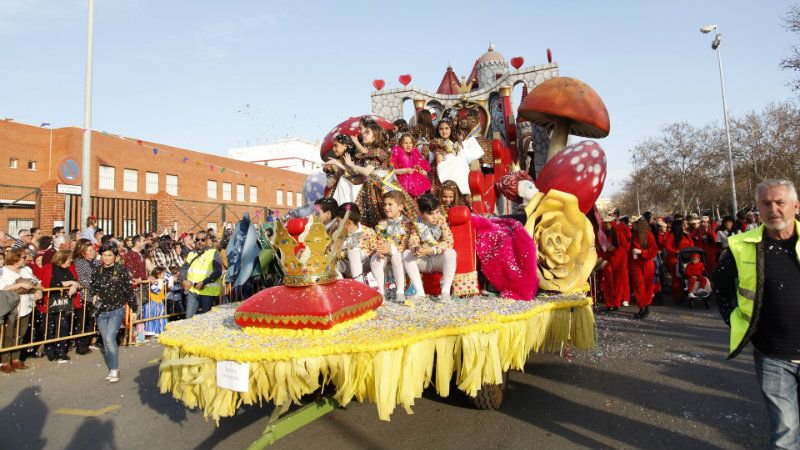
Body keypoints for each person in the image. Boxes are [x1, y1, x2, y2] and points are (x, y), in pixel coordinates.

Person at [712, 179, 800, 449]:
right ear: (758, 210)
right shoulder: (741, 245)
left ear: (795, 206)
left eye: (780, 202)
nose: (773, 209)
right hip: (772, 354)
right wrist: (736, 320)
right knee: (785, 432)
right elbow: (720, 284)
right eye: (766, 203)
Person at [90, 242, 136, 383]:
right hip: (101, 311)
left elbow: (128, 290)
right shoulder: (97, 271)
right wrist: (94, 295)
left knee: (110, 338)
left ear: (115, 256)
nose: (107, 258)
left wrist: (133, 308)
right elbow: (93, 286)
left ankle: (114, 369)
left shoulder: (121, 270)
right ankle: (112, 368)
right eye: (104, 255)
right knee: (106, 341)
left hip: (116, 309)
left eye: (110, 255)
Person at [371, 191, 420, 302]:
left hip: (403, 256)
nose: (386, 208)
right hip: (386, 254)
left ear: (400, 207)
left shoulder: (409, 224)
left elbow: (409, 244)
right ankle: (380, 294)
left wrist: (392, 249)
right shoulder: (381, 225)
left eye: (390, 204)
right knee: (375, 259)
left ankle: (400, 292)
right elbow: (379, 240)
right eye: (384, 205)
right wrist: (380, 250)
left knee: (396, 256)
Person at [0, 249, 42, 373]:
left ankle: (16, 359)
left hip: (26, 306)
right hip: (10, 308)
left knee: (20, 333)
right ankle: (5, 361)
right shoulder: (4, 272)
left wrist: (38, 290)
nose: (27, 259)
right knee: (8, 335)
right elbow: (3, 288)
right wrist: (19, 286)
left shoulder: (27, 270)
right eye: (24, 257)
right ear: (15, 258)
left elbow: (37, 282)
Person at [409, 194, 456, 302]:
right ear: (421, 214)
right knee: (407, 254)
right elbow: (413, 238)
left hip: (439, 259)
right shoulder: (417, 223)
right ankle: (420, 292)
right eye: (430, 214)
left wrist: (432, 250)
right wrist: (416, 248)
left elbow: (449, 241)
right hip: (425, 262)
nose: (435, 216)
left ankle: (445, 292)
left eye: (437, 212)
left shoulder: (441, 221)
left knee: (451, 252)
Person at [39, 249, 80, 362]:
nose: (71, 260)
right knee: (49, 328)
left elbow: (76, 281)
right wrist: (69, 283)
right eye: (69, 258)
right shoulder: (49, 268)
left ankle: (62, 351)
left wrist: (74, 286)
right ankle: (50, 352)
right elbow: (50, 283)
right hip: (50, 302)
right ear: (62, 258)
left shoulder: (69, 269)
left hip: (64, 303)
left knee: (64, 327)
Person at [179, 235, 223, 318]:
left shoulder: (213, 252)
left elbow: (218, 271)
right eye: (197, 239)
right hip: (193, 291)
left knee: (205, 319)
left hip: (207, 292)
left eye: (202, 240)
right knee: (189, 318)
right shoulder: (191, 254)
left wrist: (204, 282)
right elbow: (183, 269)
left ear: (207, 240)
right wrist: (183, 280)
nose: (200, 241)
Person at [335, 203, 376, 284]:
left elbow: (374, 251)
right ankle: (342, 285)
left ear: (348, 223)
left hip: (365, 264)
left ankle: (359, 284)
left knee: (353, 252)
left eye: (339, 222)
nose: (337, 224)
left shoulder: (368, 232)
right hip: (347, 266)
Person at [71, 239, 98, 355]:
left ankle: (86, 342)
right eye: (90, 250)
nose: (93, 252)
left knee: (92, 320)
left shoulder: (96, 263)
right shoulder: (79, 262)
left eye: (93, 249)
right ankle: (81, 345)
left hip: (96, 297)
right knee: (83, 321)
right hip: (85, 296)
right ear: (83, 252)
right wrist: (95, 289)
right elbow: (83, 280)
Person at [630, 218, 659, 319]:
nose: (632, 225)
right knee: (639, 285)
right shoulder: (634, 235)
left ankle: (645, 307)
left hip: (646, 263)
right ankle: (642, 306)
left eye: (633, 223)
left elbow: (654, 250)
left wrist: (642, 252)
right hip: (636, 263)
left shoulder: (648, 235)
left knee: (647, 286)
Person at [390, 132, 431, 198]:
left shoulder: (416, 154)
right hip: (402, 186)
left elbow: (425, 171)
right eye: (406, 143)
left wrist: (421, 171)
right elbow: (391, 171)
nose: (408, 145)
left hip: (417, 186)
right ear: (400, 144)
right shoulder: (396, 154)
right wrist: (405, 170)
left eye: (410, 143)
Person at [665, 219, 694, 302]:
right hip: (675, 259)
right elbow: (667, 247)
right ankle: (677, 296)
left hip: (685, 259)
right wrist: (676, 251)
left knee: (686, 277)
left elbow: (691, 244)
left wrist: (689, 250)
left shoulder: (685, 235)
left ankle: (684, 293)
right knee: (676, 279)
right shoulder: (671, 235)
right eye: (682, 225)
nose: (684, 226)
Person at [142, 266, 168, 337]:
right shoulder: (157, 281)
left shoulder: (161, 281)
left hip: (159, 302)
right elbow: (156, 290)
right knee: (152, 316)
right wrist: (157, 283)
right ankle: (152, 332)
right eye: (163, 273)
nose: (164, 275)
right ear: (159, 274)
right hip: (153, 302)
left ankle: (159, 331)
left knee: (159, 316)